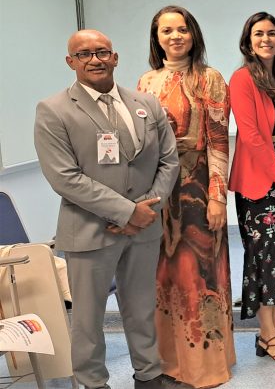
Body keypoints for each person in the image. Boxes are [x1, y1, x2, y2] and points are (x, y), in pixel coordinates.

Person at [34, 29, 179, 389]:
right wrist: (126, 213)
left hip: (144, 230)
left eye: (102, 52)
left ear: (115, 57)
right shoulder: (53, 110)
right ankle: (92, 382)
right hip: (89, 231)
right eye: (83, 55)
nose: (94, 59)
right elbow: (65, 177)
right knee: (88, 318)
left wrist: (146, 210)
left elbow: (169, 162)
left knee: (142, 309)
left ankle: (149, 376)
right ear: (71, 63)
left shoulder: (147, 105)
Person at [136, 5, 235, 387]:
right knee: (165, 277)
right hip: (158, 191)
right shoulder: (146, 81)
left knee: (201, 276)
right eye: (166, 31)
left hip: (197, 187)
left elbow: (218, 141)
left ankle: (205, 367)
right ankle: (169, 362)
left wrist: (217, 197)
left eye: (182, 30)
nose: (175, 37)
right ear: (156, 37)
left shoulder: (209, 78)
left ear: (193, 34)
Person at [227, 12, 275, 363]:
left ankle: (272, 329)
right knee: (264, 258)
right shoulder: (243, 79)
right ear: (248, 40)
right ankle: (267, 334)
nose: (266, 39)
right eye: (259, 33)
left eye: (272, 33)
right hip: (261, 183)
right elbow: (252, 135)